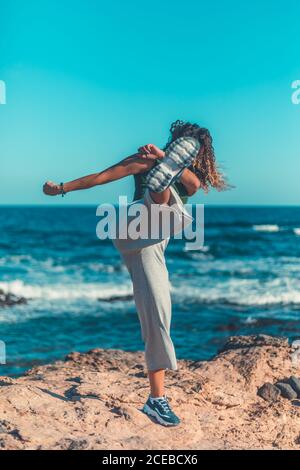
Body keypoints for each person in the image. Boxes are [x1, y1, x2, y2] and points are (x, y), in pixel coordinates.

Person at [43, 119, 227, 426]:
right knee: (166, 203)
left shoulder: (185, 175)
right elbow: (102, 177)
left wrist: (165, 161)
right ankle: (157, 400)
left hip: (151, 242)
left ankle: (161, 186)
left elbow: (194, 185)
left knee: (158, 313)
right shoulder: (143, 159)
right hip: (133, 226)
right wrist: (61, 189)